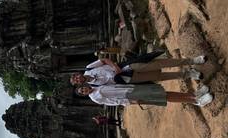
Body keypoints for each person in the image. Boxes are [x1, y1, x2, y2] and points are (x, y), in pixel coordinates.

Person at [70, 55, 206, 86]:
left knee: (159, 64)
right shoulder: (93, 86)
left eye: (76, 77)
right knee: (159, 76)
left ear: (78, 74)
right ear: (79, 83)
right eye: (76, 81)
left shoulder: (89, 68)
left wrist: (116, 68)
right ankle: (188, 74)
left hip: (126, 68)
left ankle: (192, 61)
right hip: (127, 79)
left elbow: (104, 60)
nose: (78, 79)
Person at [75, 83, 213, 107]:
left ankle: (193, 95)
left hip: (130, 89)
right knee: (163, 97)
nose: (84, 90)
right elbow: (112, 101)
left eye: (82, 88)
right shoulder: (95, 97)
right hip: (130, 97)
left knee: (162, 92)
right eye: (82, 92)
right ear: (83, 95)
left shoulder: (96, 87)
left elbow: (115, 86)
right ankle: (196, 101)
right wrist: (130, 102)